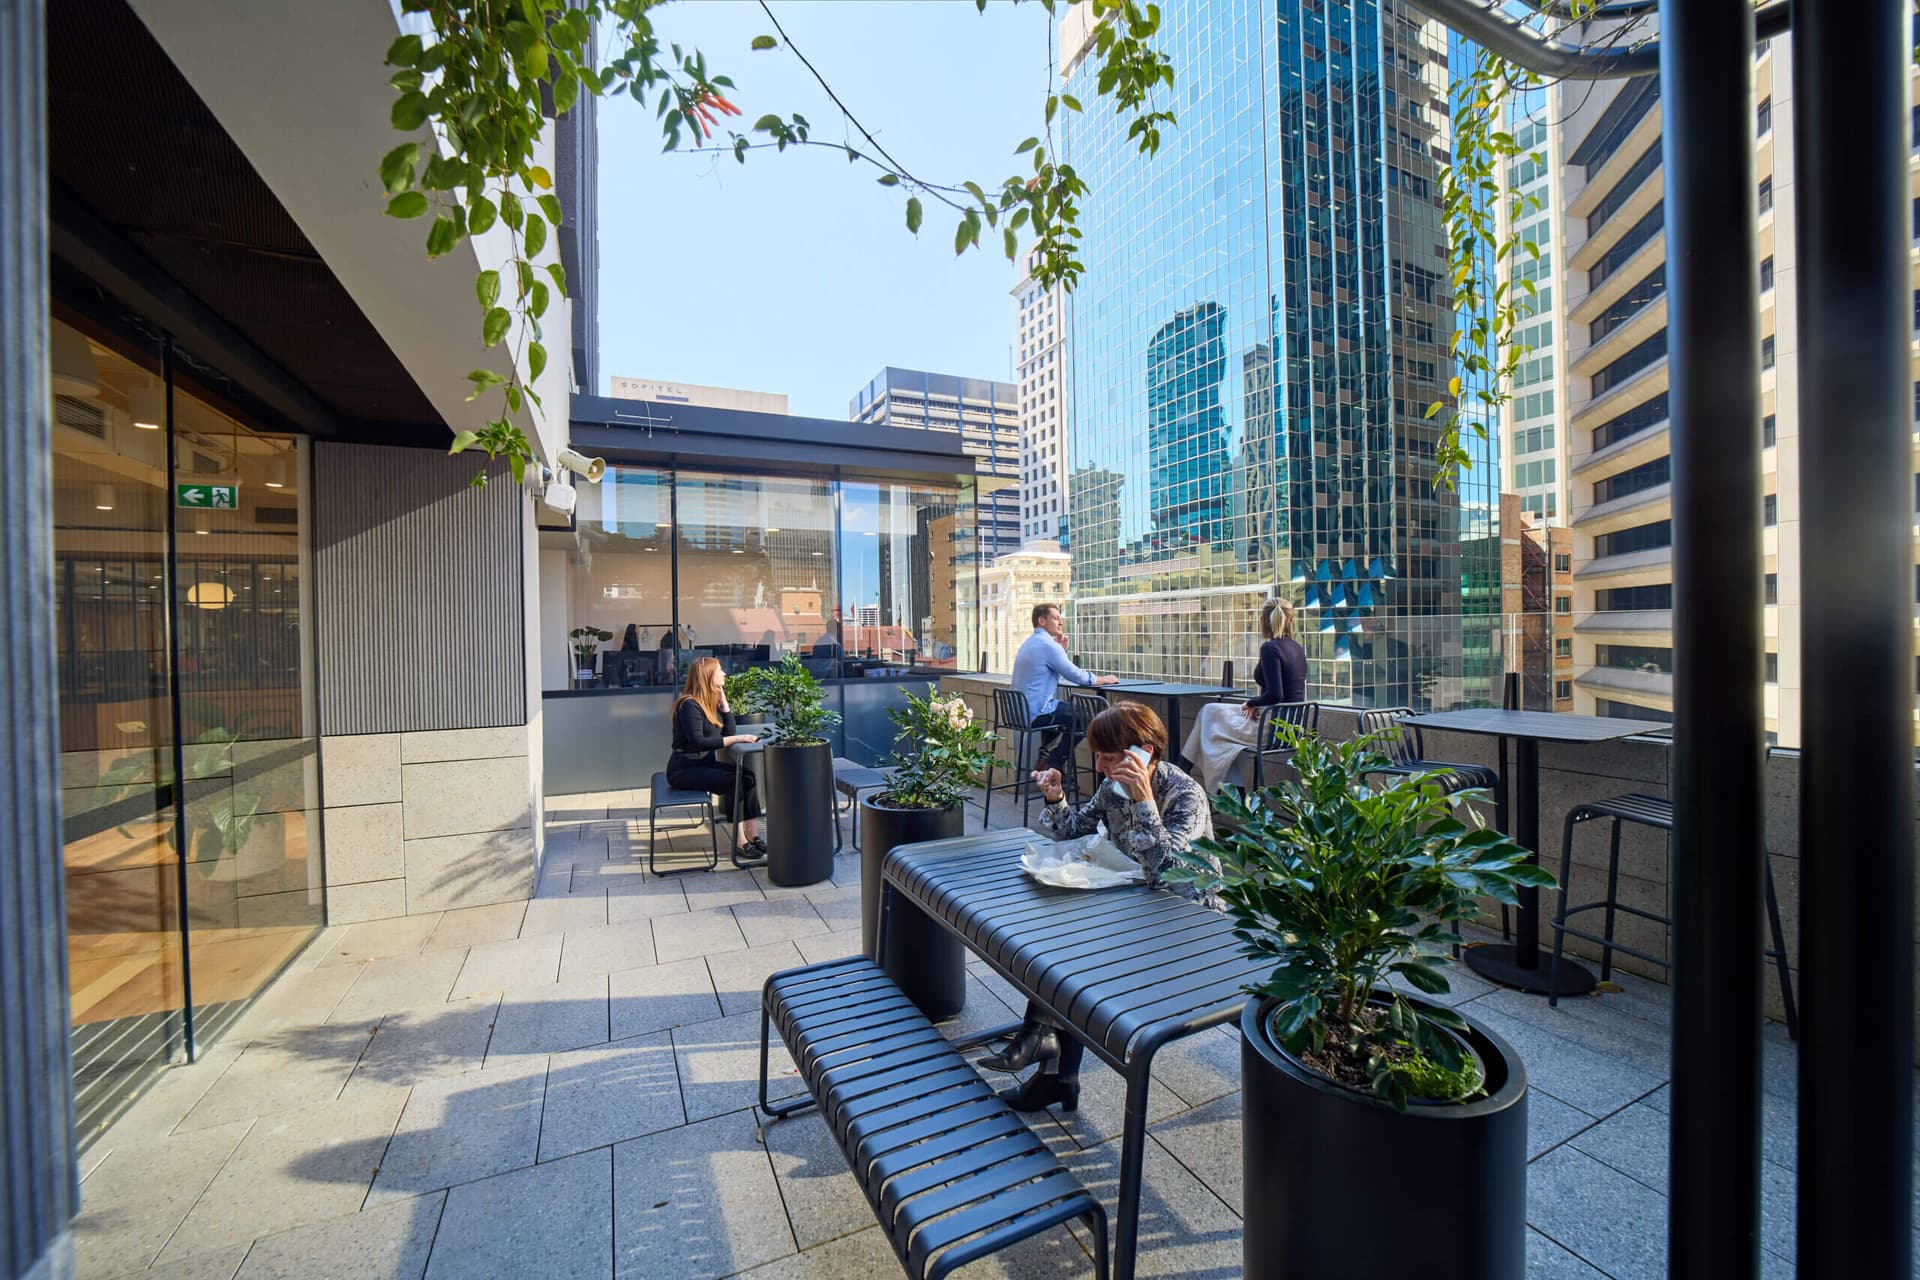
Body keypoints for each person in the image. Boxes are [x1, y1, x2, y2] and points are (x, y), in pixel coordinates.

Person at [982, 702, 1217, 1113]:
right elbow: (1074, 829)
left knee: (1080, 947)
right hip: (1138, 905)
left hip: (1187, 923)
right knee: (1064, 927)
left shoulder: (1186, 796)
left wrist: (1144, 801)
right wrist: (1055, 797)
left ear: (1146, 752)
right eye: (1099, 756)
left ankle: (1045, 1050)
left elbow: (1168, 874)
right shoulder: (1113, 788)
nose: (1103, 767)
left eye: (1111, 757)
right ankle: (1050, 1061)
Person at [1180, 598, 1308, 793]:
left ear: (1264, 621)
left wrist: (1252, 702)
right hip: (1290, 725)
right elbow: (1287, 693)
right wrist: (1259, 703)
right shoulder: (1297, 648)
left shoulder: (1270, 648)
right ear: (1290, 621)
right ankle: (1228, 791)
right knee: (1214, 720)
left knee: (1210, 717)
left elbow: (1276, 694)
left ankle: (1182, 771)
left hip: (1272, 727)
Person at [666, 657, 764, 857]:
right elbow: (699, 743)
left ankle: (754, 836)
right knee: (735, 782)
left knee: (748, 776)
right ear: (708, 676)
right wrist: (740, 738)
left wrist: (725, 707)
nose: (725, 674)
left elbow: (726, 734)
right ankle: (739, 842)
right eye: (720, 670)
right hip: (684, 770)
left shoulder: (706, 703)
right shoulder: (689, 705)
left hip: (703, 765)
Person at [1008, 602, 1119, 773]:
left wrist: (1062, 652)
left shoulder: (1030, 642)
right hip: (1037, 712)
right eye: (1056, 618)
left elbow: (1053, 671)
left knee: (1063, 713)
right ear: (1042, 621)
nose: (1060, 623)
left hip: (1017, 713)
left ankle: (1045, 756)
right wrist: (1103, 679)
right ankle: (1055, 762)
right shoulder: (1048, 645)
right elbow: (1076, 675)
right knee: (1088, 717)